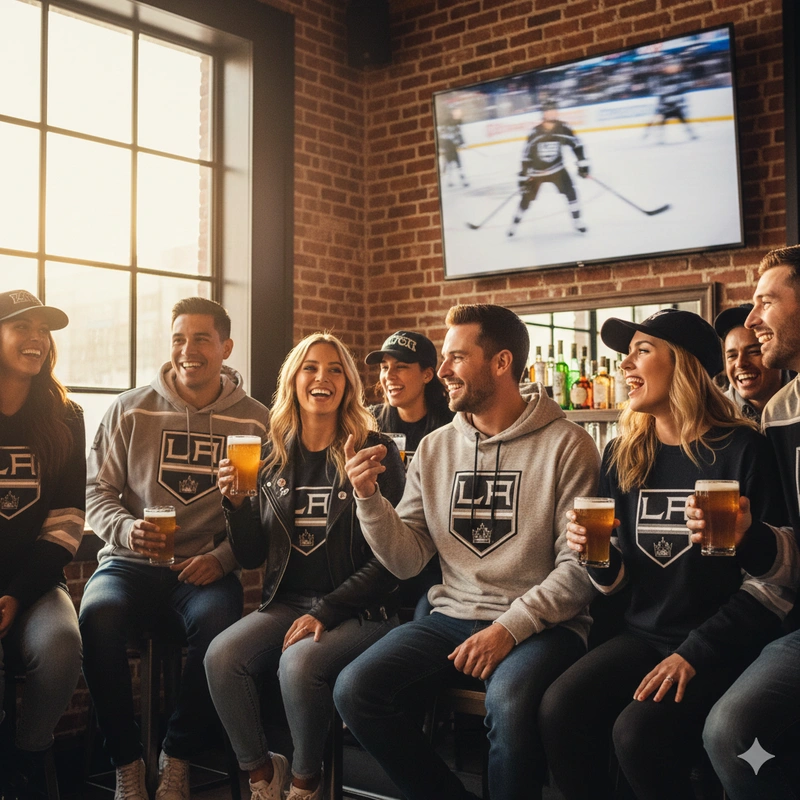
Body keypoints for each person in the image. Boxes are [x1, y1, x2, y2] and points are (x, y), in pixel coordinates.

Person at [335, 303, 601, 800]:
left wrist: (508, 629)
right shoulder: (436, 449)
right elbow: (408, 558)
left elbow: (579, 569)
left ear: (501, 363)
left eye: (457, 357)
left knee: (511, 700)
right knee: (356, 690)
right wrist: (370, 501)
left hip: (545, 625)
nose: (442, 372)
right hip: (452, 615)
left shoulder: (569, 445)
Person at [539, 308, 797, 800]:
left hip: (722, 643)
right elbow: (617, 582)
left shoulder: (744, 448)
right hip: (644, 635)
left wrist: (693, 653)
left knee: (636, 734)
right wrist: (596, 558)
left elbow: (773, 586)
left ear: (682, 365)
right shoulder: (623, 453)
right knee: (559, 708)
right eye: (625, 354)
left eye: (641, 351)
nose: (624, 366)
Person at [79, 297, 269, 800]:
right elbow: (94, 491)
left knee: (220, 627)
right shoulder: (129, 407)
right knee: (96, 617)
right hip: (128, 564)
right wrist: (125, 529)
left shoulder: (257, 423)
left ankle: (178, 755)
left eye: (202, 339)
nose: (189, 350)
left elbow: (265, 513)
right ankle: (126, 762)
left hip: (203, 569)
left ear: (226, 348)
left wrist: (223, 559)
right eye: (180, 339)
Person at [205, 333, 405, 800]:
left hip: (361, 610)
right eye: (310, 368)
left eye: (335, 369)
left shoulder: (374, 451)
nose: (322, 377)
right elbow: (253, 557)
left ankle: (305, 782)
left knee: (298, 665)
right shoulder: (272, 455)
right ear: (293, 381)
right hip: (288, 603)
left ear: (349, 384)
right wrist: (235, 504)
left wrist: (327, 610)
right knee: (222, 656)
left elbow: (392, 560)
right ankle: (261, 775)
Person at [701, 245, 800, 799]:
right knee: (731, 732)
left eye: (766, 301)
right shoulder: (781, 412)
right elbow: (788, 543)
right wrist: (751, 538)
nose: (754, 317)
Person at [0, 290, 84, 800]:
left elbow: (68, 521)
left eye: (43, 330)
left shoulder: (65, 415)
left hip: (34, 585)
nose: (35, 338)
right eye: (20, 326)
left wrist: (16, 593)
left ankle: (29, 758)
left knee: (61, 647)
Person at [366, 329, 454, 616]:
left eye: (401, 367)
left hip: (435, 556)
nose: (389, 375)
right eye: (384, 367)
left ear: (428, 374)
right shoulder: (369, 423)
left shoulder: (451, 426)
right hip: (379, 550)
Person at [507, 98, 590, 237]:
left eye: (554, 110)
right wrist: (523, 177)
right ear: (543, 113)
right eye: (549, 110)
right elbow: (526, 156)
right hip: (536, 173)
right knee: (525, 199)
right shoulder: (535, 132)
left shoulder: (564, 128)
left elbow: (577, 145)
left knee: (571, 193)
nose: (552, 113)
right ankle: (514, 224)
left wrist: (582, 164)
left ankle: (577, 221)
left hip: (557, 170)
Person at [713, 302, 787, 422]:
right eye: (732, 356)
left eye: (753, 352)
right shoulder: (717, 415)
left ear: (778, 353)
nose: (740, 363)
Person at [643, 61, 698, 143]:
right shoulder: (665, 93)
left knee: (683, 122)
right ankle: (660, 138)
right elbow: (661, 104)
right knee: (663, 124)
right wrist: (662, 110)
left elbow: (680, 99)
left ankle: (691, 134)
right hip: (668, 111)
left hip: (674, 109)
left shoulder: (673, 91)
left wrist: (681, 105)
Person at [438, 109, 469, 189]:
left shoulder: (450, 127)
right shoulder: (446, 128)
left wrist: (461, 143)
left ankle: (453, 181)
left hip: (450, 150)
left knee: (453, 165)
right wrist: (461, 142)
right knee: (454, 165)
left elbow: (458, 135)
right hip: (449, 150)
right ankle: (452, 181)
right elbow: (443, 138)